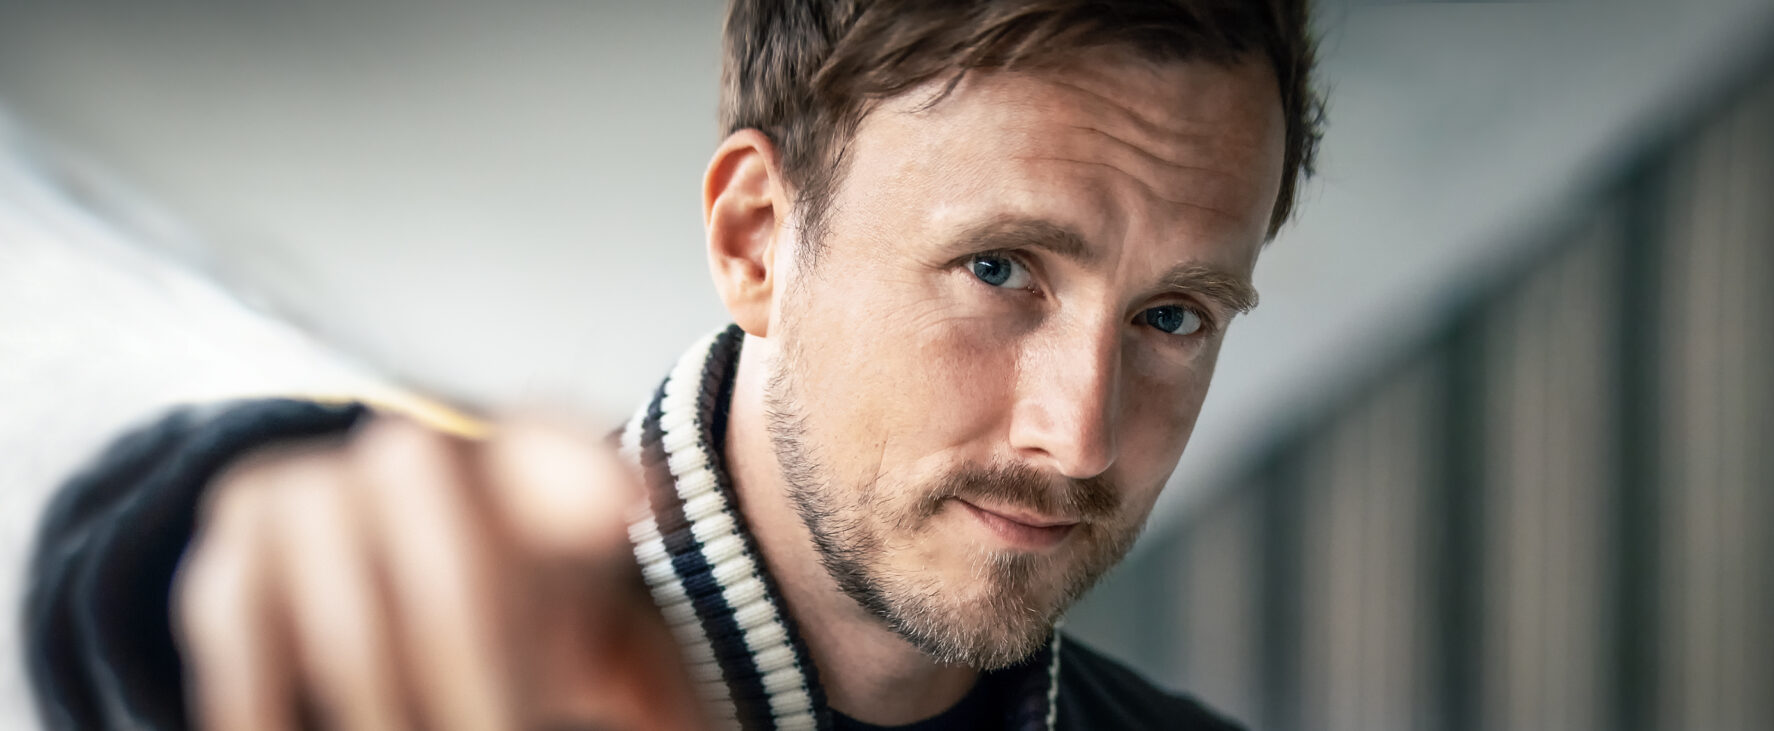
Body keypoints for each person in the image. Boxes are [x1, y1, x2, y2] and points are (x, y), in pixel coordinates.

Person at [22, 0, 1320, 728]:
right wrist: (186, 560)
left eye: (1173, 318)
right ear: (757, 240)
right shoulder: (469, 669)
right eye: (998, 268)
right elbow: (151, 590)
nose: (1079, 437)